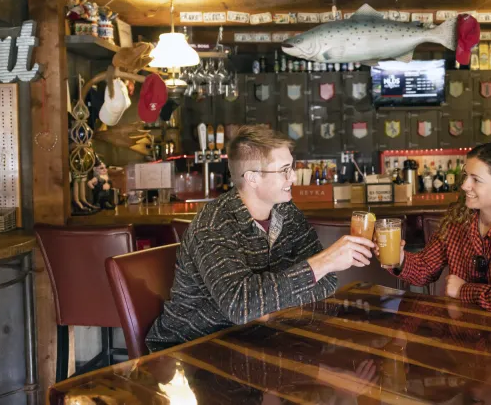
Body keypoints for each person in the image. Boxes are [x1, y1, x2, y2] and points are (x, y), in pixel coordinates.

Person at [146, 125, 376, 351]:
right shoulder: (214, 224)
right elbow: (240, 306)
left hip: (254, 340)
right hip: (190, 349)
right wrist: (323, 262)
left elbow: (327, 282)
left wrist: (265, 303)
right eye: (284, 170)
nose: (294, 177)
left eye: (292, 168)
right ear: (253, 178)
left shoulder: (286, 212)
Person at [384, 141, 491, 315]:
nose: (465, 185)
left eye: (476, 179)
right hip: (463, 330)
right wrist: (399, 258)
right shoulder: (458, 219)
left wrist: (463, 290)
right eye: (466, 176)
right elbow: (425, 270)